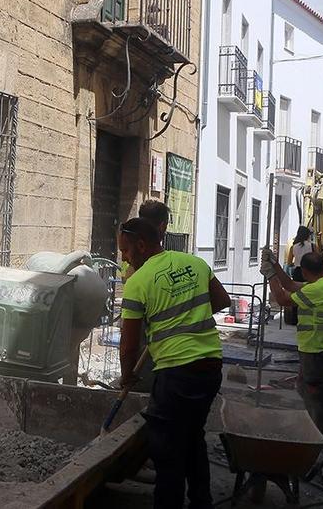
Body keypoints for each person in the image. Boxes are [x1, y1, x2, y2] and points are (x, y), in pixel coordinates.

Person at [119, 218, 231, 509]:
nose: (123, 258)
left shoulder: (137, 283)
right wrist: (187, 315)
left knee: (167, 451)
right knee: (192, 437)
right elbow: (222, 300)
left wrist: (127, 376)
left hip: (177, 374)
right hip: (210, 368)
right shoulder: (194, 263)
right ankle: (201, 502)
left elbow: (129, 345)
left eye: (126, 251)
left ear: (141, 245)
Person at [261, 249, 323, 440]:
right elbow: (289, 284)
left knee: (315, 392)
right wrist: (275, 265)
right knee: (304, 385)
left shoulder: (316, 290)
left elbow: (282, 299)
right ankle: (313, 425)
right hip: (321, 346)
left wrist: (270, 275)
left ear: (305, 272)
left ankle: (320, 434)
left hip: (317, 348)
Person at [121, 200, 171, 280]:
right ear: (162, 226)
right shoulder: (175, 263)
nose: (123, 258)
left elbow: (124, 278)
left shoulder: (133, 269)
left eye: (125, 251)